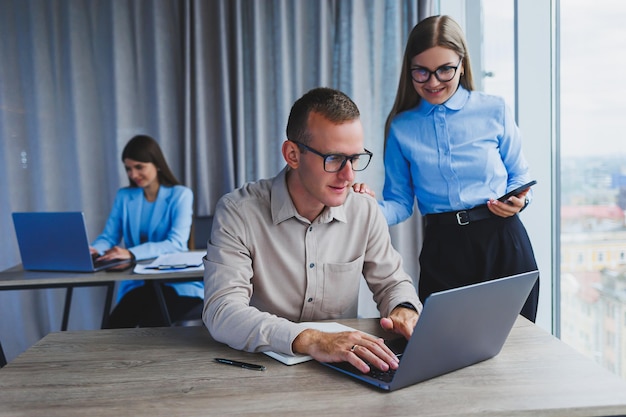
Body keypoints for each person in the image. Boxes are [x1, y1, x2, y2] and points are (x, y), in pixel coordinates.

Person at [203, 87, 422, 374]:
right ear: (293, 155)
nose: (349, 175)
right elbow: (221, 311)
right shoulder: (238, 212)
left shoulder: (364, 210)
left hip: (345, 374)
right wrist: (310, 339)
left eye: (355, 158)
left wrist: (404, 309)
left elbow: (393, 283)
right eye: (334, 159)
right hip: (258, 373)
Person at [354, 15, 539, 322]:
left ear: (462, 64)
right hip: (443, 250)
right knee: (445, 355)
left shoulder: (494, 109)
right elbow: (400, 204)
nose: (433, 82)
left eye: (444, 70)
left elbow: (519, 175)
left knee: (514, 353)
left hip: (503, 242)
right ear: (409, 70)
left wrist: (520, 201)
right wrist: (366, 208)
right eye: (422, 72)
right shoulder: (401, 127)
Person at [91, 134, 203, 328]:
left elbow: (175, 243)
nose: (133, 174)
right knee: (113, 327)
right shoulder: (125, 196)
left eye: (139, 167)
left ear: (157, 164)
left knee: (151, 327)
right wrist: (95, 250)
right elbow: (109, 236)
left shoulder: (180, 195)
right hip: (139, 283)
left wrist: (131, 253)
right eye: (128, 169)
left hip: (175, 284)